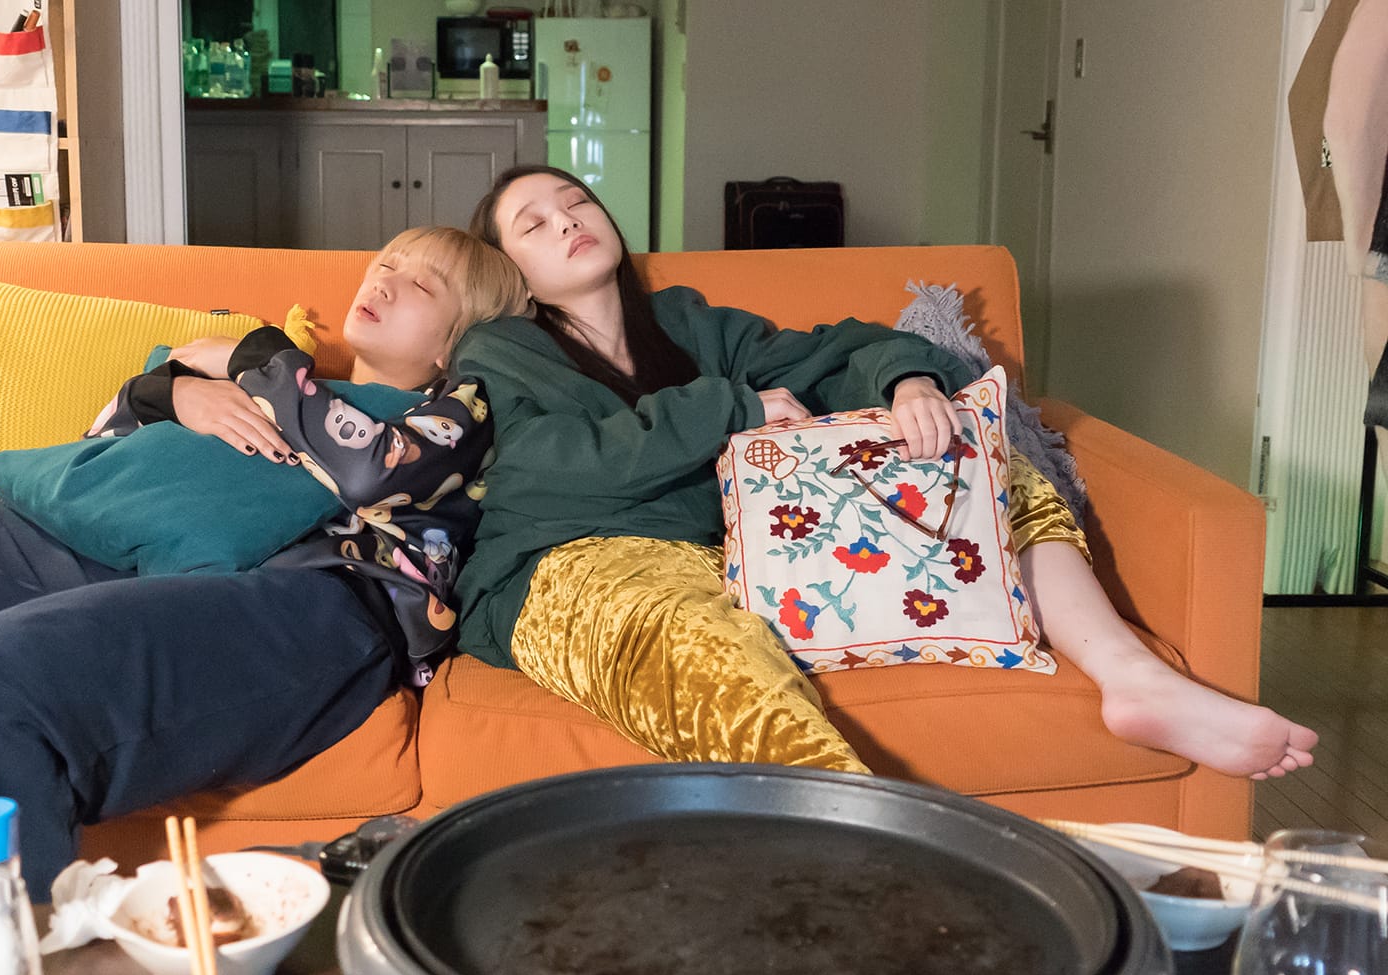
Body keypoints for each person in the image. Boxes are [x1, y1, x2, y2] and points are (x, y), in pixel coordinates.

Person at [0, 227, 527, 898]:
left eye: (421, 284)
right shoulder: (273, 385)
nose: (386, 279)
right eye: (387, 261)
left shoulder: (452, 416)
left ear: (457, 341)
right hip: (151, 573)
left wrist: (255, 358)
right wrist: (171, 395)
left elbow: (371, 468)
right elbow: (102, 448)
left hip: (312, 611)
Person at [458, 165, 1318, 782]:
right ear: (509, 268)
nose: (566, 219)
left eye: (576, 201)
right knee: (706, 654)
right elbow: (540, 468)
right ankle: (868, 864)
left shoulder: (687, 323)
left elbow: (834, 350)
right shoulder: (498, 350)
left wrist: (907, 381)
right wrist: (734, 408)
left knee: (979, 461)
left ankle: (1135, 678)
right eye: (533, 223)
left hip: (736, 553)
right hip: (570, 565)